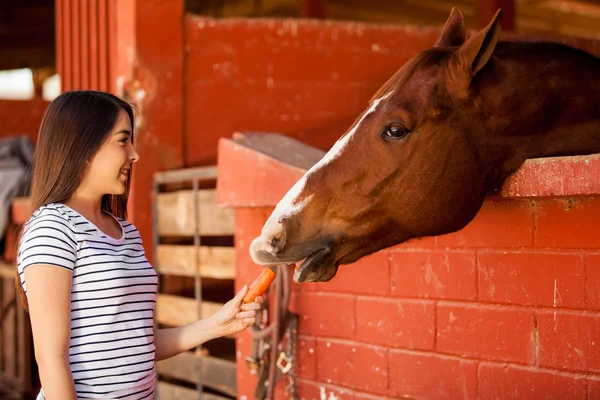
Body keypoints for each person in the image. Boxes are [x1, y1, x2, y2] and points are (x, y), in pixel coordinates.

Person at [15, 90, 263, 400]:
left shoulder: (126, 231)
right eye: (123, 140)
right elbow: (52, 359)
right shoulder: (53, 228)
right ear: (84, 146)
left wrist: (219, 324)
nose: (134, 154)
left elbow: (139, 343)